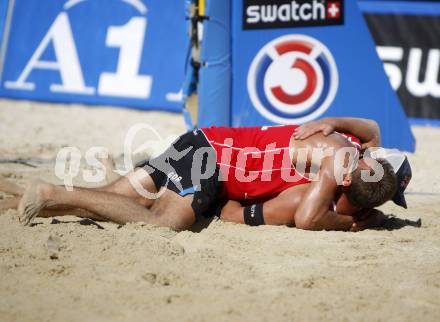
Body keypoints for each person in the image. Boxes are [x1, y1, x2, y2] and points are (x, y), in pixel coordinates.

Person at [0, 117, 409, 231]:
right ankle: (51, 193)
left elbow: (373, 127)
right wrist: (351, 225)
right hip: (210, 157)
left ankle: (16, 196)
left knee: (116, 200)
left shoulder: (357, 146)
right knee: (165, 220)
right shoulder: (333, 163)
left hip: (206, 140)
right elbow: (308, 218)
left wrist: (333, 118)